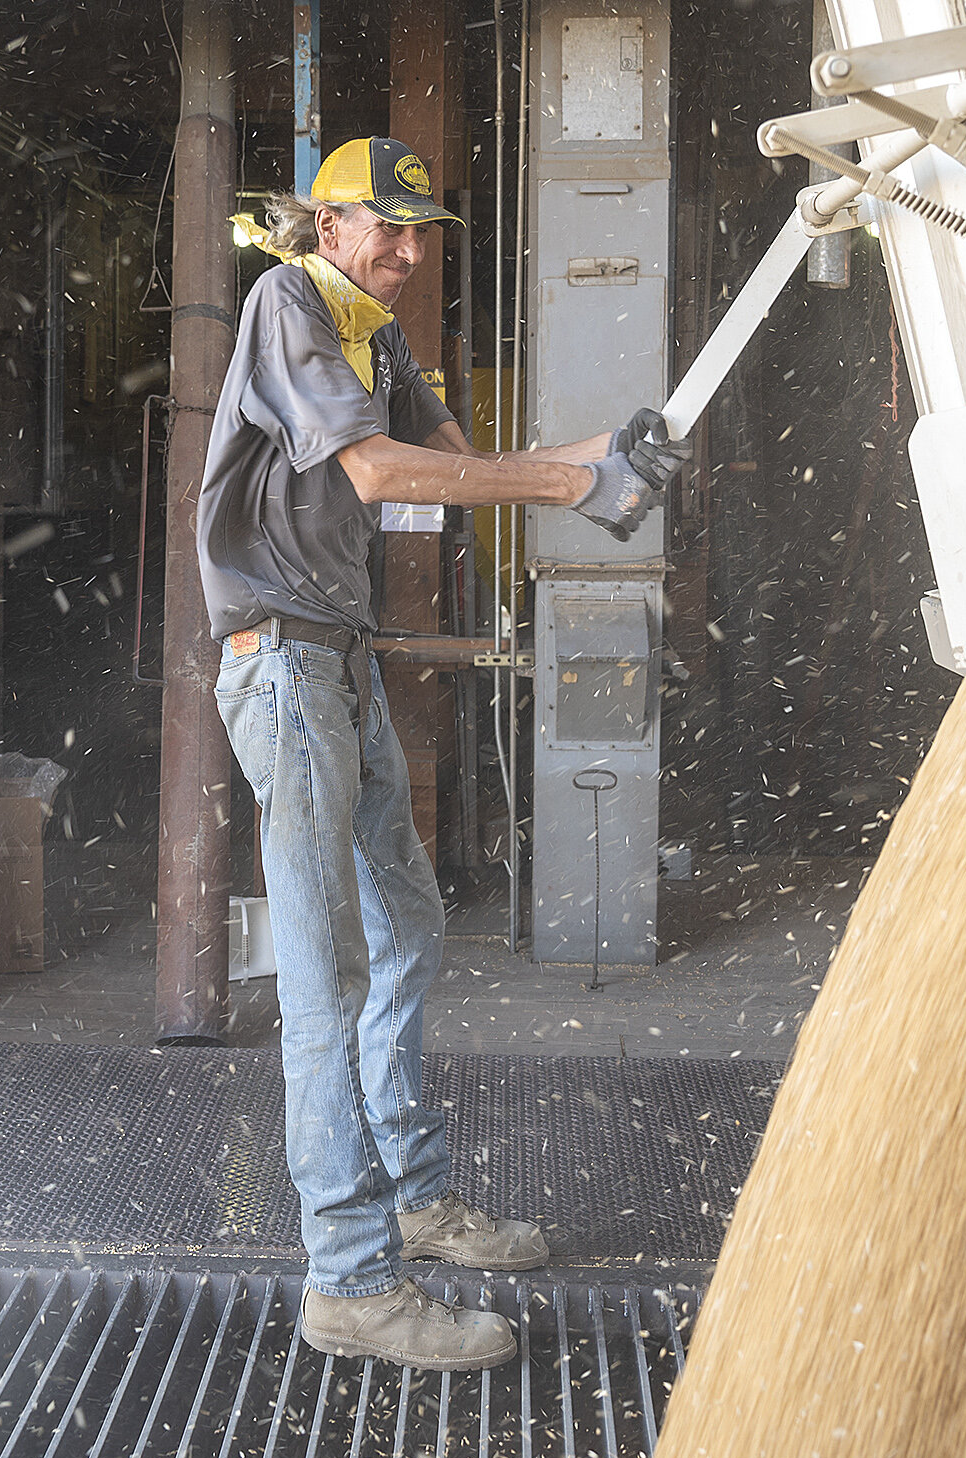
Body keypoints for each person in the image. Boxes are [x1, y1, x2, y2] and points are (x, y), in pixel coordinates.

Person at [198, 136, 687, 1371]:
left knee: (407, 927)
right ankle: (350, 1282)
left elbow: (454, 472)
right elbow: (376, 470)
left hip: (340, 664)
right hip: (283, 667)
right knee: (320, 979)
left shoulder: (374, 334)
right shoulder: (286, 303)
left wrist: (607, 456)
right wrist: (567, 483)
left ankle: (416, 1201)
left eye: (422, 234)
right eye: (388, 229)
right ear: (325, 221)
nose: (410, 255)